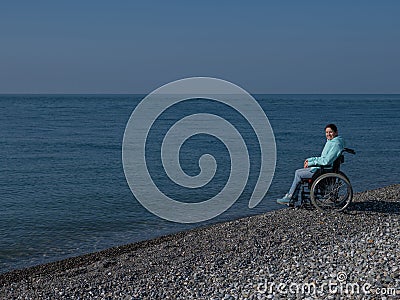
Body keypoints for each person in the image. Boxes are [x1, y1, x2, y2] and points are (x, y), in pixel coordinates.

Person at [276, 123, 345, 205]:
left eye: (330, 132)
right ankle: (292, 197)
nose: (328, 134)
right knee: (299, 172)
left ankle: (290, 197)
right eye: (326, 132)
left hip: (325, 170)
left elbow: (326, 161)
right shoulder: (332, 142)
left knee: (298, 174)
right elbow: (323, 159)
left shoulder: (335, 144)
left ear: (336, 132)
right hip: (324, 168)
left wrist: (311, 162)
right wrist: (310, 160)